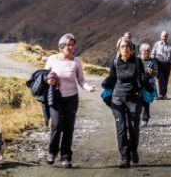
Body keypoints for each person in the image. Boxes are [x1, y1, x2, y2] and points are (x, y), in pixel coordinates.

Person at [45, 33, 96, 168]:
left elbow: (81, 80)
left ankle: (66, 157)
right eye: (68, 45)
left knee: (69, 127)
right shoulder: (52, 59)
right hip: (55, 98)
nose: (70, 47)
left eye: (72, 45)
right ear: (61, 46)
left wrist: (88, 87)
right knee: (56, 125)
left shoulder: (76, 61)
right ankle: (52, 152)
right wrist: (49, 79)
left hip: (71, 98)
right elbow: (44, 75)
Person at [102, 38, 153, 168]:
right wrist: (104, 86)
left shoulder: (137, 62)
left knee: (133, 128)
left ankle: (133, 150)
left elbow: (143, 78)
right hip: (117, 98)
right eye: (122, 47)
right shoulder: (115, 62)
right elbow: (112, 78)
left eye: (127, 46)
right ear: (119, 49)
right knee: (121, 128)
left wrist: (149, 83)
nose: (125, 49)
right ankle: (124, 157)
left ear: (131, 48)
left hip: (134, 99)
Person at [151, 31, 171, 99]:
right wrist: (152, 61)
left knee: (166, 79)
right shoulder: (157, 44)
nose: (164, 37)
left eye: (166, 36)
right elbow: (153, 53)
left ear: (167, 37)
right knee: (161, 79)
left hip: (167, 64)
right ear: (161, 37)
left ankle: (164, 94)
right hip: (159, 63)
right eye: (163, 36)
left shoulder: (170, 45)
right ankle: (162, 94)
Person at [139, 43, 158, 126]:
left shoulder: (153, 61)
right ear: (141, 51)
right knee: (137, 102)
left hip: (148, 84)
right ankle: (137, 118)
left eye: (148, 51)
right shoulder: (137, 60)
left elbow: (156, 73)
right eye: (145, 51)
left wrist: (152, 72)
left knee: (146, 102)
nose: (146, 52)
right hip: (138, 84)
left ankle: (145, 119)